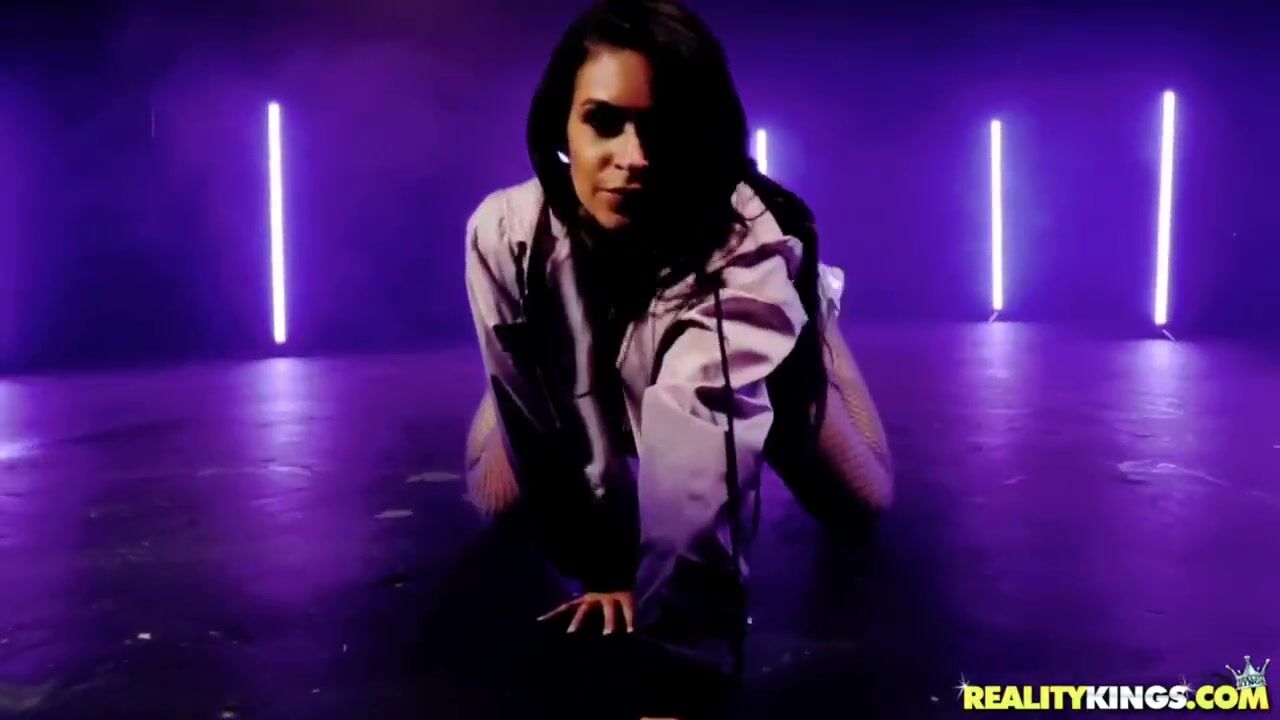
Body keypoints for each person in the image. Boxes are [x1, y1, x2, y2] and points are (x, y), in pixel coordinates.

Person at [462, 0, 894, 715]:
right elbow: (535, 422)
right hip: (579, 350)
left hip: (750, 355)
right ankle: (556, 347)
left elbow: (698, 463)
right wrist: (603, 566)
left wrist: (678, 679)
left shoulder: (739, 249)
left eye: (658, 127)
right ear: (561, 124)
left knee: (863, 503)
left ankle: (811, 315)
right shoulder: (506, 231)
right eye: (604, 121)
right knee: (497, 499)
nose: (633, 158)